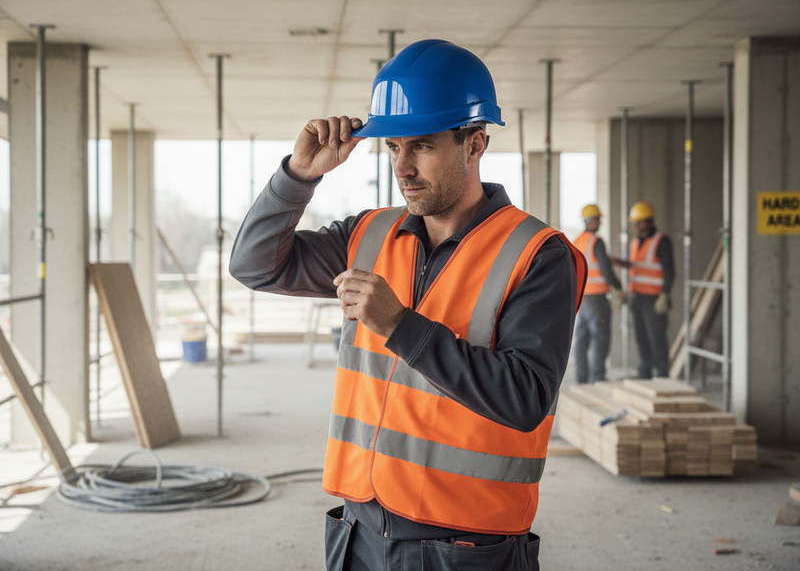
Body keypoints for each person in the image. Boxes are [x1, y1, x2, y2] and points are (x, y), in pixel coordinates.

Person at [229, 39, 586, 571]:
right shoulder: (369, 233)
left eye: (421, 146)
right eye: (394, 147)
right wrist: (299, 176)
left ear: (475, 144)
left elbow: (525, 396)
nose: (403, 167)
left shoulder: (538, 254)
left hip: (464, 546)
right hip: (359, 527)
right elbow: (255, 266)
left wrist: (398, 324)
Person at [613, 201, 675, 378]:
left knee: (657, 338)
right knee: (641, 337)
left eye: (640, 221)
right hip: (637, 297)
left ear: (650, 221)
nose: (636, 225)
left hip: (654, 298)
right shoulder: (635, 241)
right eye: (635, 222)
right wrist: (616, 261)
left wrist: (665, 294)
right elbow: (634, 265)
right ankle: (645, 372)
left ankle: (662, 373)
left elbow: (669, 270)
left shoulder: (661, 241)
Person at [571, 204, 626, 383]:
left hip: (581, 300)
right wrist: (618, 288)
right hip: (598, 300)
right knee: (600, 338)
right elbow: (606, 270)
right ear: (592, 220)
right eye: (599, 219)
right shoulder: (597, 241)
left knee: (582, 340)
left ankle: (581, 377)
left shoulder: (577, 240)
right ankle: (598, 377)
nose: (600, 223)